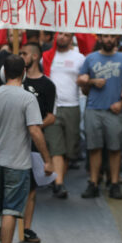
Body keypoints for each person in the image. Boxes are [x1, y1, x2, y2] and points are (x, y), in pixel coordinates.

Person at [0, 54, 53, 243]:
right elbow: (34, 130)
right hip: (17, 161)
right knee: (11, 209)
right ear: (23, 72)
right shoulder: (27, 98)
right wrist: (47, 160)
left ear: (4, 71)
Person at [77, 34, 122, 199]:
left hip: (114, 110)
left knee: (115, 149)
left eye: (111, 37)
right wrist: (91, 82)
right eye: (105, 37)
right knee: (93, 148)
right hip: (93, 109)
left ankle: (115, 183)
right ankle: (93, 183)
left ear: (116, 39)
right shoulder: (90, 58)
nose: (108, 40)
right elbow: (82, 83)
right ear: (100, 39)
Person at [17, 42, 56, 243]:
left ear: (34, 56)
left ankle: (27, 227)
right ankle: (2, 224)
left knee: (31, 187)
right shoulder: (16, 81)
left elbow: (51, 116)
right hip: (13, 139)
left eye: (23, 53)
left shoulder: (47, 85)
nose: (20, 55)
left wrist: (34, 127)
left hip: (33, 141)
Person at [42, 32, 85, 198]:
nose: (62, 37)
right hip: (53, 107)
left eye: (66, 35)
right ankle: (59, 184)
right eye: (59, 34)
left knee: (68, 150)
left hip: (72, 106)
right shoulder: (46, 57)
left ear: (71, 38)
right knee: (56, 147)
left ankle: (56, 179)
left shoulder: (79, 58)